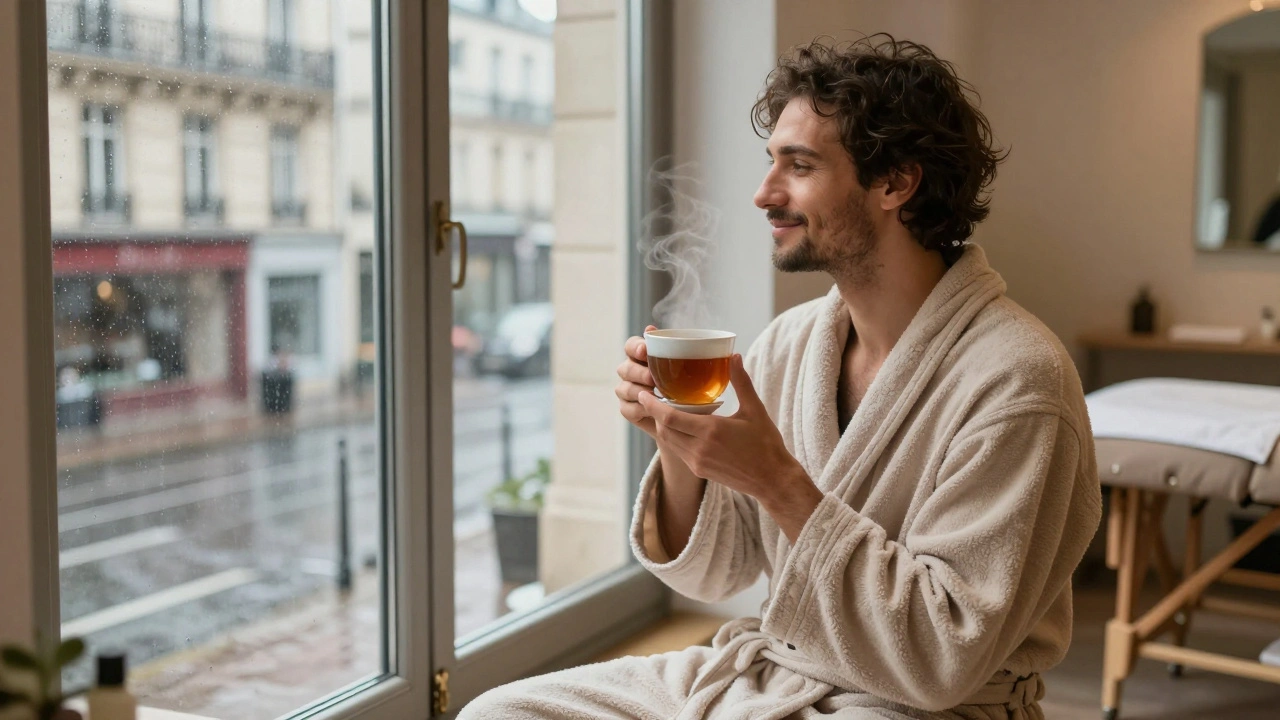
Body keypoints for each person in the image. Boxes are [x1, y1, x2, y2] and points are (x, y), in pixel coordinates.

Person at [460, 35, 1102, 720]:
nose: (765, 193)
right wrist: (679, 440)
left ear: (895, 183)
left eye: (799, 166)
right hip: (774, 670)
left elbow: (942, 660)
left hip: (922, 707)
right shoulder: (792, 344)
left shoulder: (1018, 381)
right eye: (772, 162)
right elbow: (716, 572)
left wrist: (776, 480)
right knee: (498, 714)